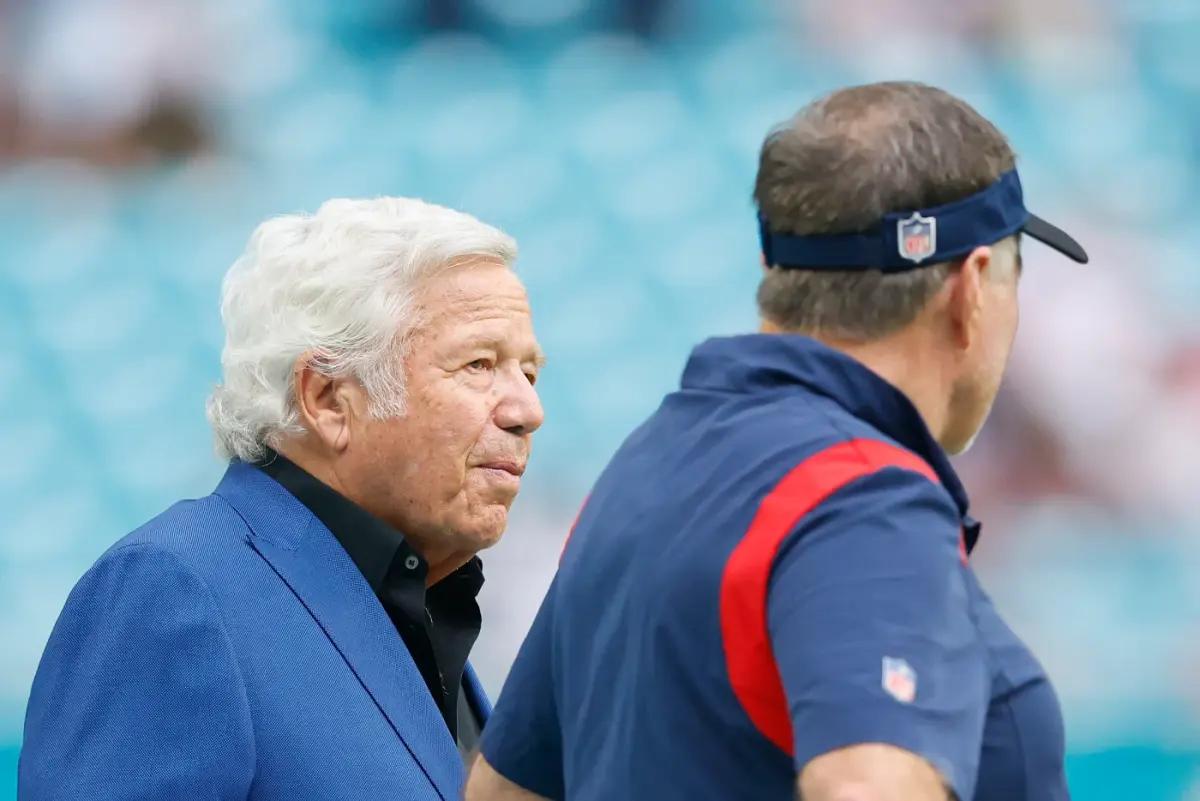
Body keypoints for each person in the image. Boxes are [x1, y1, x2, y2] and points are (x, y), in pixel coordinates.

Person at [466, 82, 1087, 801]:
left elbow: (501, 791)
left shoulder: (648, 465)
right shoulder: (865, 498)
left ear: (776, 270)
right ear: (972, 286)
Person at [19, 197, 546, 800]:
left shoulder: (420, 610)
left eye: (528, 374)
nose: (527, 411)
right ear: (326, 400)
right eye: (478, 365)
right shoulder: (174, 589)